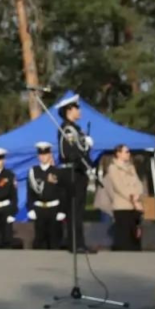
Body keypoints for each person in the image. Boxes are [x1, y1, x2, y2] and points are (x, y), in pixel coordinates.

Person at [57, 94, 93, 253]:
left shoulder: (77, 129)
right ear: (69, 110)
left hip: (79, 172)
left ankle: (80, 243)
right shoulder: (67, 129)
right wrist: (83, 147)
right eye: (77, 107)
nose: (79, 110)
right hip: (71, 171)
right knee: (73, 210)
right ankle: (74, 243)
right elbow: (67, 153)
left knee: (79, 210)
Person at [26, 141, 66, 250]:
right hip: (39, 209)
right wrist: (30, 208)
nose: (43, 157)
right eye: (41, 154)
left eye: (45, 154)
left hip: (54, 209)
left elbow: (62, 192)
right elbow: (30, 192)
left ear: (50, 155)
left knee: (54, 239)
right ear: (38, 156)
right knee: (39, 239)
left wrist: (62, 210)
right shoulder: (33, 172)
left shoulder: (57, 172)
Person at [107, 144, 145, 251]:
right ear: (118, 154)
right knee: (124, 235)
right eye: (126, 152)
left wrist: (137, 195)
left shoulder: (131, 168)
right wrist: (132, 197)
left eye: (129, 151)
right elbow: (119, 186)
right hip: (122, 206)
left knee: (135, 235)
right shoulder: (113, 168)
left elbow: (138, 183)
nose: (129, 154)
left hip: (135, 206)